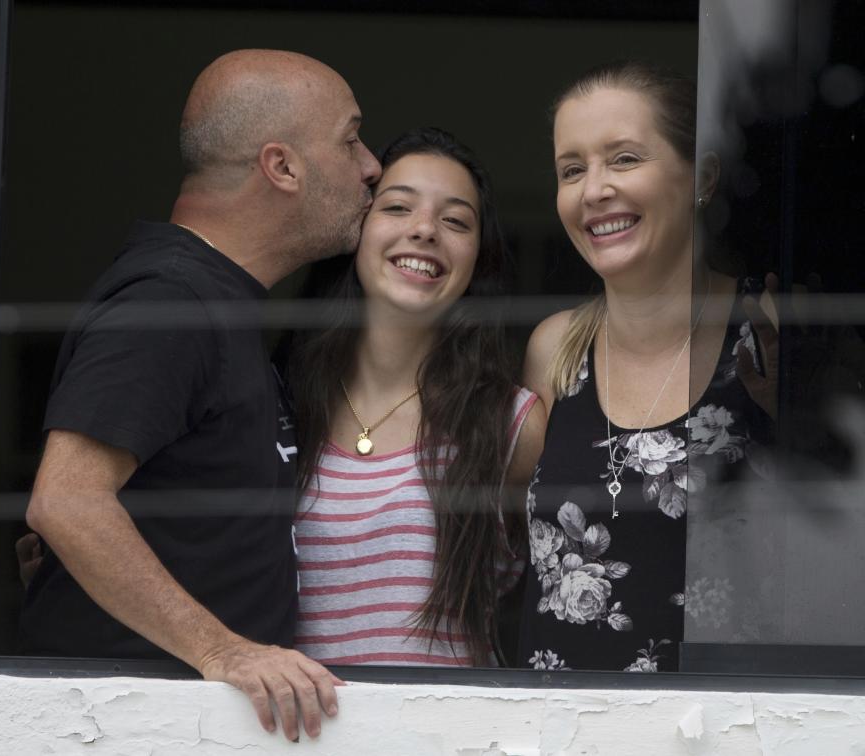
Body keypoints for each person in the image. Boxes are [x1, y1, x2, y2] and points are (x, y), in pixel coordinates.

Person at [19, 49, 381, 742]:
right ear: (282, 167)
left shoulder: (217, 303)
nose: (370, 164)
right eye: (350, 138)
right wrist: (225, 651)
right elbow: (66, 501)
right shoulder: (170, 303)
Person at [517, 61, 777, 673]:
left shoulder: (766, 331)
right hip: (555, 728)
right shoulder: (555, 348)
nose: (593, 190)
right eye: (571, 170)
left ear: (702, 179)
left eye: (625, 159)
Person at [288, 127, 546, 667]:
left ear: (479, 258)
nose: (425, 230)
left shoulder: (512, 422)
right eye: (398, 207)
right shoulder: (280, 403)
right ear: (356, 229)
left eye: (455, 221)